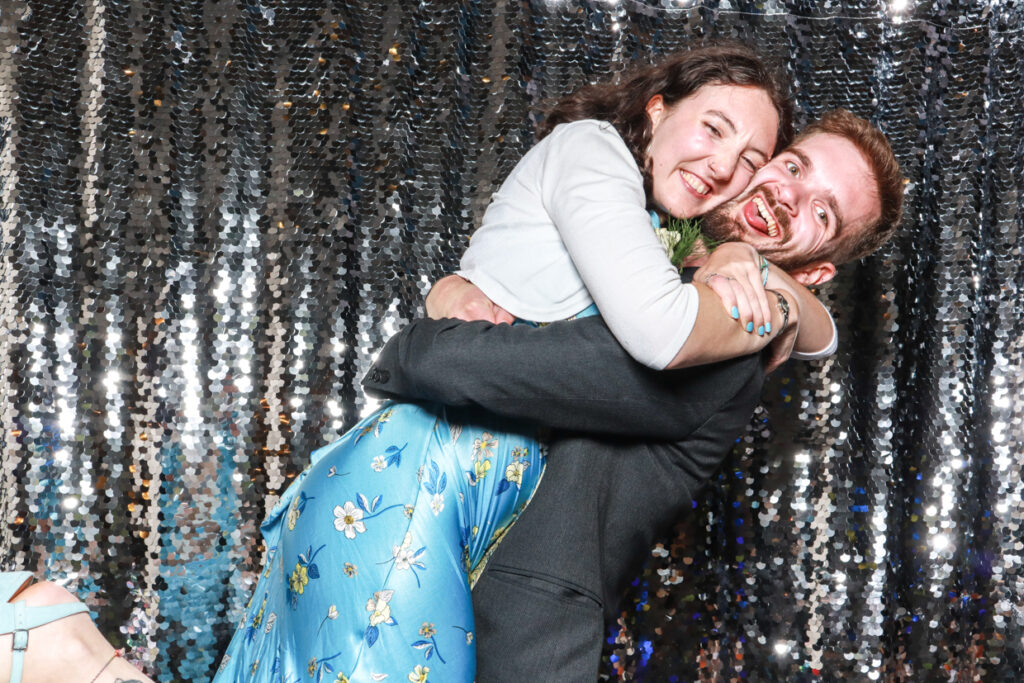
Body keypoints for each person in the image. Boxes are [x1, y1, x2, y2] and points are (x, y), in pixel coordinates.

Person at [1, 45, 823, 683]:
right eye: (714, 127)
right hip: (420, 481)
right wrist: (753, 275)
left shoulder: (662, 236)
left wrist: (763, 274)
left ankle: (66, 650)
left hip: (453, 505)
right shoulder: (596, 155)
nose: (727, 165)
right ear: (658, 106)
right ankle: (63, 648)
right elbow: (655, 331)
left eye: (752, 159)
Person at [373, 107, 905, 682]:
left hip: (511, 644)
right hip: (407, 586)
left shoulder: (729, 340)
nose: (789, 199)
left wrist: (411, 350)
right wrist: (451, 289)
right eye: (794, 167)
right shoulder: (638, 253)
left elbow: (463, 365)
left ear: (817, 274)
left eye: (822, 211)